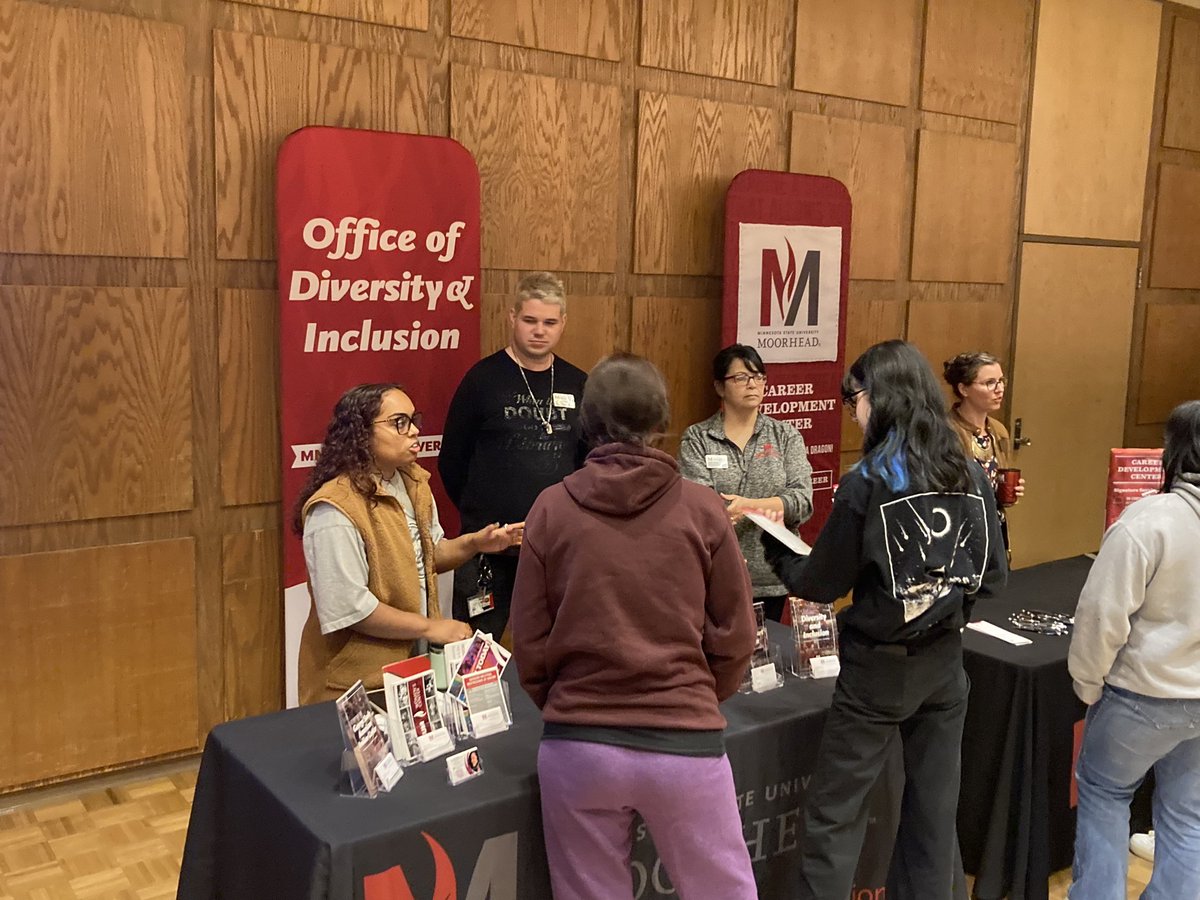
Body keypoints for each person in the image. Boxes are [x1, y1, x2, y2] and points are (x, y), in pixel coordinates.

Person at [760, 340, 1008, 900]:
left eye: (855, 397)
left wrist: (778, 548)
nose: (852, 409)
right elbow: (993, 578)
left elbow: (820, 583)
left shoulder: (869, 479)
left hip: (878, 673)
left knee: (834, 820)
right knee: (932, 817)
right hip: (945, 664)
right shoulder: (967, 468)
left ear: (882, 397)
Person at [511, 354, 758, 900]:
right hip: (683, 740)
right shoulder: (702, 509)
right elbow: (736, 635)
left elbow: (527, 642)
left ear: (586, 422)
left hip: (579, 746)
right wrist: (695, 695)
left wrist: (569, 702)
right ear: (661, 422)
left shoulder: (549, 509)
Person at [294, 383, 521, 705]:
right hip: (354, 684)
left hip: (410, 670)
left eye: (414, 420)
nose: (414, 431)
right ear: (361, 433)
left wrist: (474, 543)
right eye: (399, 422)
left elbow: (429, 554)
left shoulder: (413, 482)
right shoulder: (334, 509)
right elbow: (351, 608)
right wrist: (430, 628)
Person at [1067, 400, 1200, 900]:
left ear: (1175, 449)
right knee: (1188, 817)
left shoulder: (1148, 520)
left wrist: (1087, 682)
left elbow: (1102, 615)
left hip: (1142, 697)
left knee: (1104, 796)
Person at [439, 272, 587, 640]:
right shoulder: (482, 380)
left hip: (557, 547)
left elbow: (588, 462)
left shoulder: (578, 383)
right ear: (511, 317)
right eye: (530, 320)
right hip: (486, 548)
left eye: (550, 322)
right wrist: (483, 515)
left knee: (560, 652)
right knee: (474, 653)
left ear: (563, 323)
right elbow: (451, 462)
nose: (539, 331)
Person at [679, 344, 814, 621]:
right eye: (741, 378)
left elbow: (802, 502)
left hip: (772, 574)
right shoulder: (698, 438)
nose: (752, 384)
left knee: (767, 659)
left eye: (758, 376)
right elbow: (699, 506)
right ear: (720, 387)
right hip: (717, 573)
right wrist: (768, 506)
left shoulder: (785, 436)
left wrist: (748, 506)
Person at [943, 351, 1025, 548]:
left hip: (993, 526)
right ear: (964, 389)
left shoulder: (998, 430)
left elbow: (1000, 476)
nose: (1000, 389)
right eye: (990, 383)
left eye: (1001, 381)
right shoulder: (944, 431)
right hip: (957, 530)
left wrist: (1009, 491)